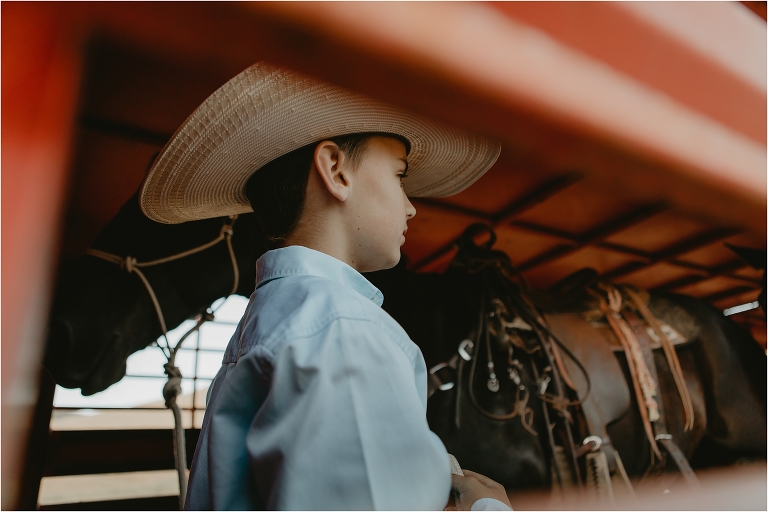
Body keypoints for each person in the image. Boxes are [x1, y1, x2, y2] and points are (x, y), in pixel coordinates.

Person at [139, 62, 511, 510]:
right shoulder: (342, 331)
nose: (411, 208)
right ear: (336, 170)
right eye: (400, 175)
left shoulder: (276, 319)